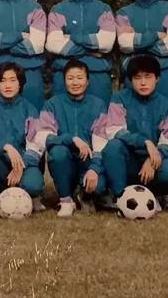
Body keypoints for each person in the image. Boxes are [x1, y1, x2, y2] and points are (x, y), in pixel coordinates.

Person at [27, 59, 110, 217]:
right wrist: (71, 139)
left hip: (88, 160)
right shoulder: (52, 104)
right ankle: (65, 200)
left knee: (98, 186)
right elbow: (44, 137)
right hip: (63, 160)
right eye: (70, 78)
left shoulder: (98, 105)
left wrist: (94, 168)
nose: (75, 82)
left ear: (87, 80)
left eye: (79, 78)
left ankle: (85, 195)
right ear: (64, 81)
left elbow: (101, 142)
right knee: (58, 151)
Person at [102, 55, 168, 206]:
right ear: (131, 80)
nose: (143, 82)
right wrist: (145, 142)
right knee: (113, 147)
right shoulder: (119, 99)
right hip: (129, 159)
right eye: (138, 77)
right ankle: (121, 197)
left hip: (156, 159)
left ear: (157, 78)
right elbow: (115, 130)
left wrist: (151, 160)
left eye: (148, 77)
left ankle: (157, 193)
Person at [0, 62, 45, 216]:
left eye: (13, 80)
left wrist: (20, 166)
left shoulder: (30, 109)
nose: (8, 85)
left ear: (20, 83)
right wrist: (6, 147)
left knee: (34, 185)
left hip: (23, 162)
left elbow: (36, 145)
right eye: (2, 80)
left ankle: (32, 195)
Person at [46, 0, 116, 103]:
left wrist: (70, 38)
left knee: (99, 121)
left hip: (97, 76)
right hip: (64, 76)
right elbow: (53, 44)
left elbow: (107, 44)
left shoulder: (104, 9)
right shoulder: (58, 10)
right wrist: (91, 51)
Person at [116, 0, 168, 115]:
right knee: (134, 123)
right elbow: (125, 44)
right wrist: (157, 35)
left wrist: (137, 43)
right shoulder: (124, 13)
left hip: (167, 73)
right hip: (134, 75)